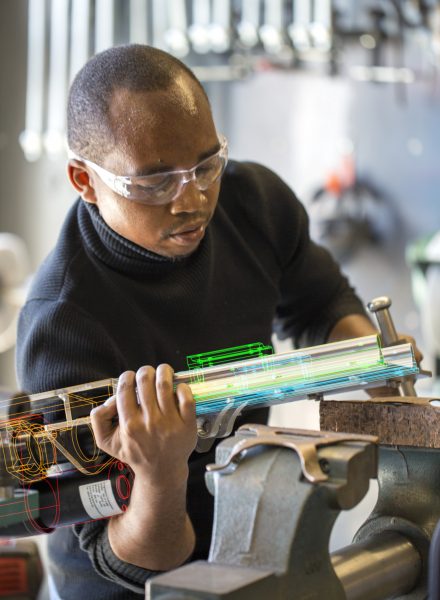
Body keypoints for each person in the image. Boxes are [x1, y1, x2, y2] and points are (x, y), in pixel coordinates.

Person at [16, 45, 420, 599]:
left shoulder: (254, 203)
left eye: (207, 164)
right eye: (155, 182)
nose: (195, 199)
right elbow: (134, 562)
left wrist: (371, 358)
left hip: (250, 540)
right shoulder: (63, 324)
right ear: (85, 181)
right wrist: (160, 473)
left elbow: (318, 303)